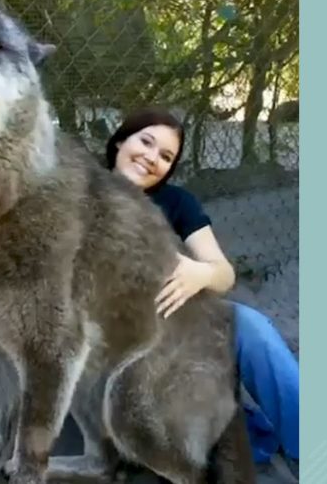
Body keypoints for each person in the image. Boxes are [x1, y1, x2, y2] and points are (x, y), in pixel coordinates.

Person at [105, 107, 299, 467]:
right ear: (119, 141)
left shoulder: (176, 202)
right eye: (145, 142)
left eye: (165, 156)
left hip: (179, 323)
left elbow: (224, 272)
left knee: (251, 327)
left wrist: (202, 274)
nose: (151, 158)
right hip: (114, 342)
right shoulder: (78, 196)